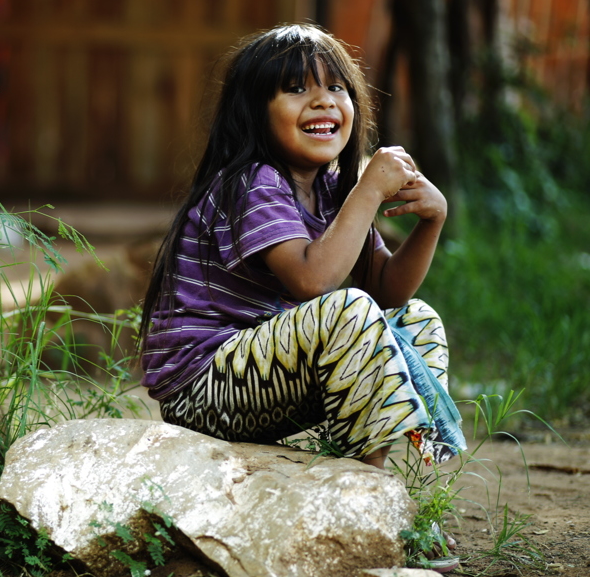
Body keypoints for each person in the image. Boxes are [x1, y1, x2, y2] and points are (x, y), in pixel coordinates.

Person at [138, 24, 466, 470]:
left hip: (265, 378)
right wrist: (368, 191)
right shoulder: (254, 181)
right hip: (204, 386)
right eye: (295, 89)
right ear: (255, 112)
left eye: (337, 87)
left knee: (417, 320)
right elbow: (314, 281)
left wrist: (432, 221)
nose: (323, 101)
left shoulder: (333, 193)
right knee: (348, 309)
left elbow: (387, 292)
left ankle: (375, 471)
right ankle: (364, 485)